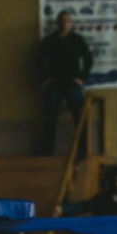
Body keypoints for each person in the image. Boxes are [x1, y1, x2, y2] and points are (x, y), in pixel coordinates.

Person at [35, 12, 93, 155]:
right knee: (50, 117)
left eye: (67, 21)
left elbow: (88, 59)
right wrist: (43, 78)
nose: (64, 23)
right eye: (62, 20)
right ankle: (47, 149)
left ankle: (83, 149)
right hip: (54, 83)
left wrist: (81, 78)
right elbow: (38, 60)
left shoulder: (76, 40)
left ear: (71, 24)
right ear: (57, 23)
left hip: (72, 82)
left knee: (79, 116)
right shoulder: (49, 41)